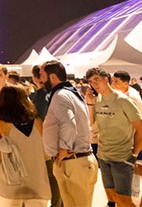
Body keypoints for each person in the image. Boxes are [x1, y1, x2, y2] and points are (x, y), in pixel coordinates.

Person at [86, 67, 142, 207]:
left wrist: (134, 155)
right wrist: (90, 103)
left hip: (122, 158)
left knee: (124, 201)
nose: (94, 84)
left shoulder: (123, 100)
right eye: (91, 81)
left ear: (106, 79)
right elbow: (92, 123)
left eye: (97, 80)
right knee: (112, 198)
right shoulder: (98, 99)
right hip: (103, 155)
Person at [41, 61, 97, 207]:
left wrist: (62, 151)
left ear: (52, 77)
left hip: (73, 163)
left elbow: (69, 124)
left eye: (42, 76)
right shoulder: (72, 93)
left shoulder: (60, 95)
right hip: (78, 162)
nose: (41, 80)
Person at [0, 85, 50, 207]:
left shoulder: (1, 123)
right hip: (37, 181)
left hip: (11, 182)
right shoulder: (37, 122)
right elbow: (45, 148)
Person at [29, 64, 60, 207]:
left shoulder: (41, 95)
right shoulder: (58, 92)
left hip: (47, 142)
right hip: (60, 141)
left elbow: (38, 121)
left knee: (51, 176)